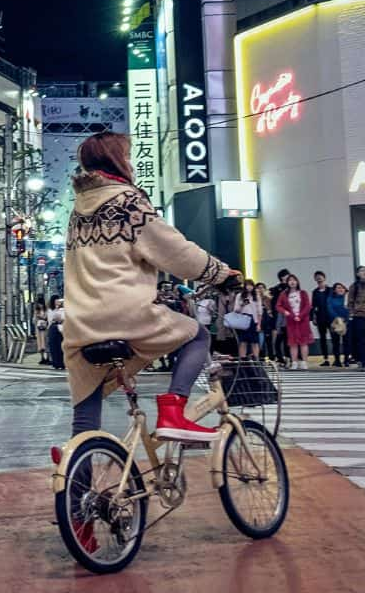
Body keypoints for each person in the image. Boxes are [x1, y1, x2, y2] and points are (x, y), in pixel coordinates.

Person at [62, 132, 239, 443]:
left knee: (86, 400)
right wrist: (221, 274)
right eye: (126, 156)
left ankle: (78, 478)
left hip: (81, 325)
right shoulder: (128, 202)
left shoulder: (77, 211)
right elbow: (176, 251)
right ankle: (173, 410)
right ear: (116, 161)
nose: (130, 162)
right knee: (196, 334)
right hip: (128, 317)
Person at [276, 274, 313, 370]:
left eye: (294, 280)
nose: (292, 282)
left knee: (303, 342)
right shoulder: (284, 294)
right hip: (291, 321)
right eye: (290, 280)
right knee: (293, 342)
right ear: (287, 283)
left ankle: (304, 362)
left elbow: (308, 306)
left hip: (302, 321)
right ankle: (294, 362)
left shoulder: (303, 293)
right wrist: (286, 313)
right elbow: (278, 306)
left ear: (297, 282)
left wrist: (300, 316)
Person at [227, 284, 262, 359]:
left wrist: (259, 324)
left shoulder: (256, 296)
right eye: (247, 285)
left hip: (254, 320)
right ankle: (243, 359)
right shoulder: (240, 296)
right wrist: (242, 304)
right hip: (243, 320)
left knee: (255, 342)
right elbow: (236, 310)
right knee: (243, 342)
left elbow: (259, 312)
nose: (249, 287)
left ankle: (256, 359)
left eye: (251, 285)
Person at [311, 271, 333, 366]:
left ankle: (337, 359)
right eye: (317, 277)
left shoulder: (331, 290)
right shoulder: (315, 292)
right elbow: (313, 306)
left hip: (331, 318)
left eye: (320, 277)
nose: (319, 278)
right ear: (315, 279)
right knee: (323, 339)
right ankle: (326, 359)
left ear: (324, 278)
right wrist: (314, 318)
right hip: (320, 318)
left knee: (334, 338)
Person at [326, 283, 350, 367]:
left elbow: (350, 309)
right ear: (334, 290)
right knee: (335, 343)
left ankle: (346, 360)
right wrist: (337, 318)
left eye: (342, 288)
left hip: (346, 322)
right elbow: (330, 309)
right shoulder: (330, 298)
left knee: (347, 342)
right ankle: (337, 360)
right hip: (334, 323)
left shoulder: (348, 298)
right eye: (338, 288)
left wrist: (345, 319)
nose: (341, 289)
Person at [46, 296, 66, 370]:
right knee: (54, 346)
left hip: (61, 328)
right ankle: (56, 363)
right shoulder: (50, 310)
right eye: (56, 301)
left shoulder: (62, 309)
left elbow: (64, 318)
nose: (58, 302)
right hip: (53, 328)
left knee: (61, 346)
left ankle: (62, 363)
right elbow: (51, 320)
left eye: (59, 301)